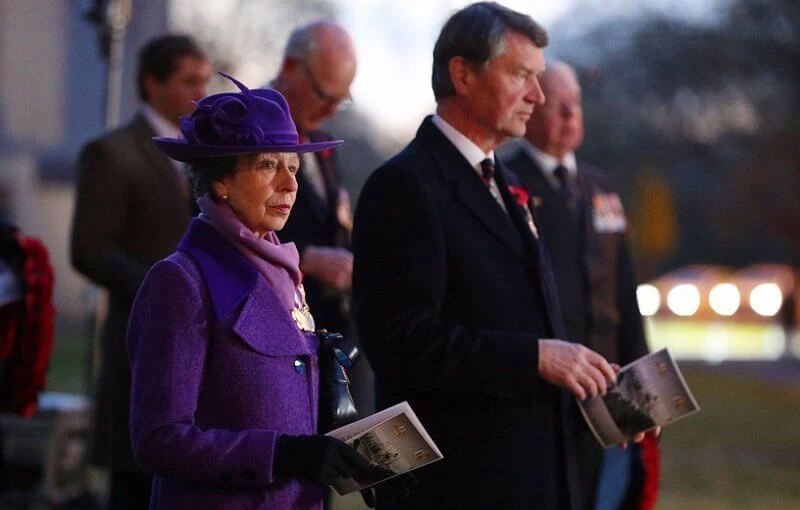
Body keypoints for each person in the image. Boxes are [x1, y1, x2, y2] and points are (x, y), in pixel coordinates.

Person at [352, 3, 629, 509]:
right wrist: (536, 358)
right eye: (522, 74)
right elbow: (398, 340)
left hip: (536, 472)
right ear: (463, 74)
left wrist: (585, 378)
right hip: (457, 484)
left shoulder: (510, 182)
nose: (538, 96)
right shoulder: (404, 185)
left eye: (538, 77)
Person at [126, 74, 372, 509]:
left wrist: (366, 463)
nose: (290, 184)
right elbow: (159, 440)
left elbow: (290, 409)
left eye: (293, 167)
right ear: (221, 180)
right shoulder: (180, 281)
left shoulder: (284, 271)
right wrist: (283, 455)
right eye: (267, 165)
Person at [501, 61, 659, 510]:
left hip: (610, 387)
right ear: (531, 110)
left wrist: (643, 381)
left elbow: (625, 292)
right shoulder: (508, 186)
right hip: (548, 391)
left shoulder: (600, 187)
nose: (571, 114)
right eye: (558, 105)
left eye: (577, 103)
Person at [70, 34, 211, 509]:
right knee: (133, 487)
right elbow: (88, 249)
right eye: (188, 80)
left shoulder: (205, 156)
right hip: (138, 345)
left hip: (199, 357)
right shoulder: (112, 153)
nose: (200, 93)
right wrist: (165, 287)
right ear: (152, 82)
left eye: (204, 81)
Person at [269, 21, 357, 336]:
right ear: (291, 67)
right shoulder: (242, 130)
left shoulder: (322, 143)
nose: (332, 111)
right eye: (324, 95)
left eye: (341, 100)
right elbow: (215, 224)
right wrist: (305, 258)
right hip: (271, 329)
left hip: (326, 331)